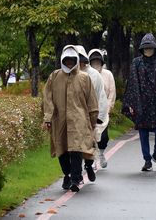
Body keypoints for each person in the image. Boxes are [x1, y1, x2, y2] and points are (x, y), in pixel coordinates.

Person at [43, 45, 99, 192]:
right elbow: (47, 98)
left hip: (79, 120)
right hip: (59, 120)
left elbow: (91, 102)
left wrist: (93, 121)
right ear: (62, 59)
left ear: (76, 60)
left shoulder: (84, 78)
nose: (69, 63)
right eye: (66, 60)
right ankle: (67, 175)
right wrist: (48, 117)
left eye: (71, 60)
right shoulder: (54, 76)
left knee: (76, 149)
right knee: (62, 150)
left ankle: (75, 179)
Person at [122, 33, 156, 171]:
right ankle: (147, 160)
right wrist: (131, 104)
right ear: (142, 49)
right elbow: (133, 84)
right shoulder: (136, 63)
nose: (148, 51)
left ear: (154, 49)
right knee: (143, 133)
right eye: (146, 49)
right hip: (141, 103)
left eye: (150, 48)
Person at [74, 45, 109, 180]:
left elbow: (100, 97)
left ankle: (88, 165)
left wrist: (98, 118)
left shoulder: (94, 75)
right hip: (73, 117)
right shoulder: (66, 75)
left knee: (88, 144)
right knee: (74, 147)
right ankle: (75, 175)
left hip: (89, 116)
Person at [88, 48, 116, 168]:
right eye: (93, 62)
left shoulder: (108, 74)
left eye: (98, 62)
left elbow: (112, 92)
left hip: (103, 111)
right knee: (91, 136)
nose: (96, 64)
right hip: (89, 111)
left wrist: (108, 107)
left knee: (103, 137)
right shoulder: (85, 75)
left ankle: (101, 153)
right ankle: (92, 158)